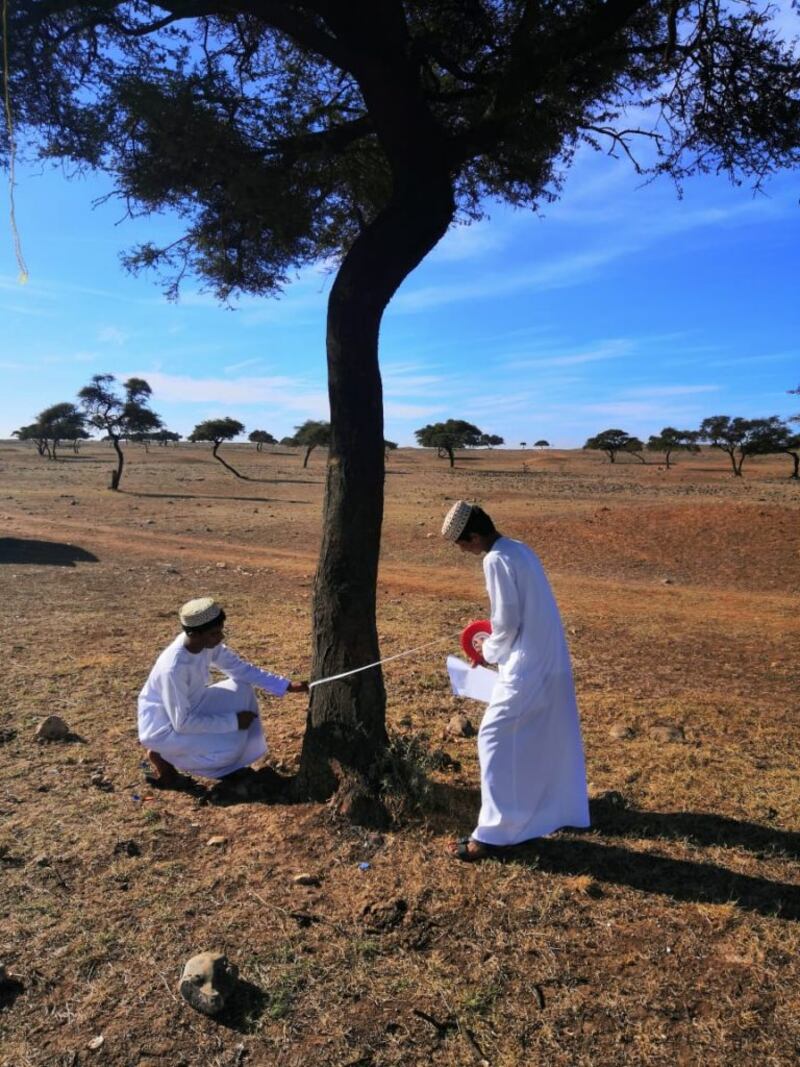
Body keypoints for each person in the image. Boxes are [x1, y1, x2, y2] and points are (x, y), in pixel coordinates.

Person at [441, 501, 590, 860]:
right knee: (535, 738)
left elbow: (506, 622)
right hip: (546, 660)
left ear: (474, 536)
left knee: (493, 738)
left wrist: (485, 653)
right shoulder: (519, 548)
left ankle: (493, 834)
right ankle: (541, 813)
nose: (464, 551)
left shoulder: (494, 559)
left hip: (526, 667)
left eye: (462, 544)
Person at [137, 597, 308, 789]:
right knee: (231, 749)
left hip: (193, 706)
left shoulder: (205, 644)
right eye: (214, 633)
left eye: (220, 630)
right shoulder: (174, 669)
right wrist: (234, 721)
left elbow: (240, 669)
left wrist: (285, 686)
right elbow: (182, 722)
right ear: (195, 634)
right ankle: (164, 755)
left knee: (242, 688)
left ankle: (185, 753)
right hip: (164, 728)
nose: (221, 638)